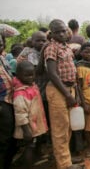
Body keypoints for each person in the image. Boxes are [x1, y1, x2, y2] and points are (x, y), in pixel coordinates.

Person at [43, 19, 83, 169]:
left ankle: (66, 159)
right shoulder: (51, 48)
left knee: (68, 126)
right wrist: (67, 94)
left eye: (63, 30)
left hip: (68, 88)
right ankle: (64, 164)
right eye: (57, 31)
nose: (62, 33)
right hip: (58, 90)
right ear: (52, 33)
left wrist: (73, 92)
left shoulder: (66, 48)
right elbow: (52, 74)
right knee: (60, 127)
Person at [12, 61, 48, 168]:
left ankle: (36, 158)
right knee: (30, 146)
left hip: (36, 122)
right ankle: (28, 165)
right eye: (26, 75)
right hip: (28, 126)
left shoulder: (31, 86)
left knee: (36, 143)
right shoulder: (20, 93)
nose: (30, 77)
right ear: (18, 75)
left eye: (32, 74)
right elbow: (20, 114)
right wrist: (26, 130)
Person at [0, 34, 18, 169]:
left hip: (9, 100)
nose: (1, 44)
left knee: (10, 138)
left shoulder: (3, 59)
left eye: (1, 41)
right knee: (4, 140)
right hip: (2, 103)